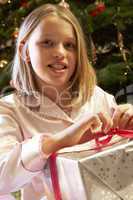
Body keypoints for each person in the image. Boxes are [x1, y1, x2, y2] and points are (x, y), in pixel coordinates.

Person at [0, 3, 133, 200]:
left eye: (69, 45)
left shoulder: (97, 97)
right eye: (47, 42)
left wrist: (128, 121)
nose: (60, 53)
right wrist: (57, 142)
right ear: (25, 51)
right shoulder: (9, 110)